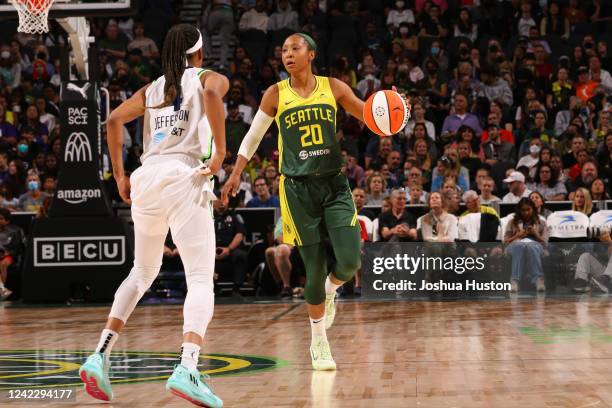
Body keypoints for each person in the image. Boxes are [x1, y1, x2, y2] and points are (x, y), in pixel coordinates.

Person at [222, 33, 410, 371]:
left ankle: (331, 290)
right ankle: (319, 342)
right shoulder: (275, 93)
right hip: (297, 190)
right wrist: (236, 172)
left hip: (334, 185)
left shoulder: (333, 87)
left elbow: (370, 117)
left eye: (295, 49)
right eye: (283, 51)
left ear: (311, 53)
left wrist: (391, 109)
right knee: (313, 267)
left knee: (350, 262)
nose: (288, 55)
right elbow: (253, 136)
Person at [79, 24, 227, 407]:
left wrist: (119, 175)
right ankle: (188, 366)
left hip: (146, 176)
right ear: (199, 52)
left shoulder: (153, 88)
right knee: (199, 277)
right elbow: (213, 92)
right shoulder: (206, 77)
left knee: (142, 272)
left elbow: (112, 120)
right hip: (183, 174)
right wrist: (221, 153)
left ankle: (99, 354)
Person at [504, 198, 548, 293]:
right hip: (515, 245)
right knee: (520, 245)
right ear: (519, 211)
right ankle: (515, 280)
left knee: (531, 246)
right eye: (523, 210)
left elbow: (546, 243)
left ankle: (538, 279)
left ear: (533, 209)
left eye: (528, 209)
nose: (526, 213)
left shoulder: (541, 223)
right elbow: (505, 242)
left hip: (535, 245)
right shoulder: (512, 222)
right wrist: (517, 235)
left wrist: (535, 234)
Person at [213, 199, 248, 296]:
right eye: (218, 200)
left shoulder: (235, 216)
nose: (221, 202)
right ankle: (213, 289)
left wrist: (229, 249)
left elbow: (240, 234)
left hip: (230, 251)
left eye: (224, 200)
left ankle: (236, 289)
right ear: (212, 201)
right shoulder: (206, 216)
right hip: (211, 252)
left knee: (241, 255)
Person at [0, 208, 24, 300]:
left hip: (9, 256)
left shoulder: (15, 231)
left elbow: (18, 247)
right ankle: (3, 291)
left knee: (3, 264)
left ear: (7, 220)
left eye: (1, 219)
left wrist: (6, 253)